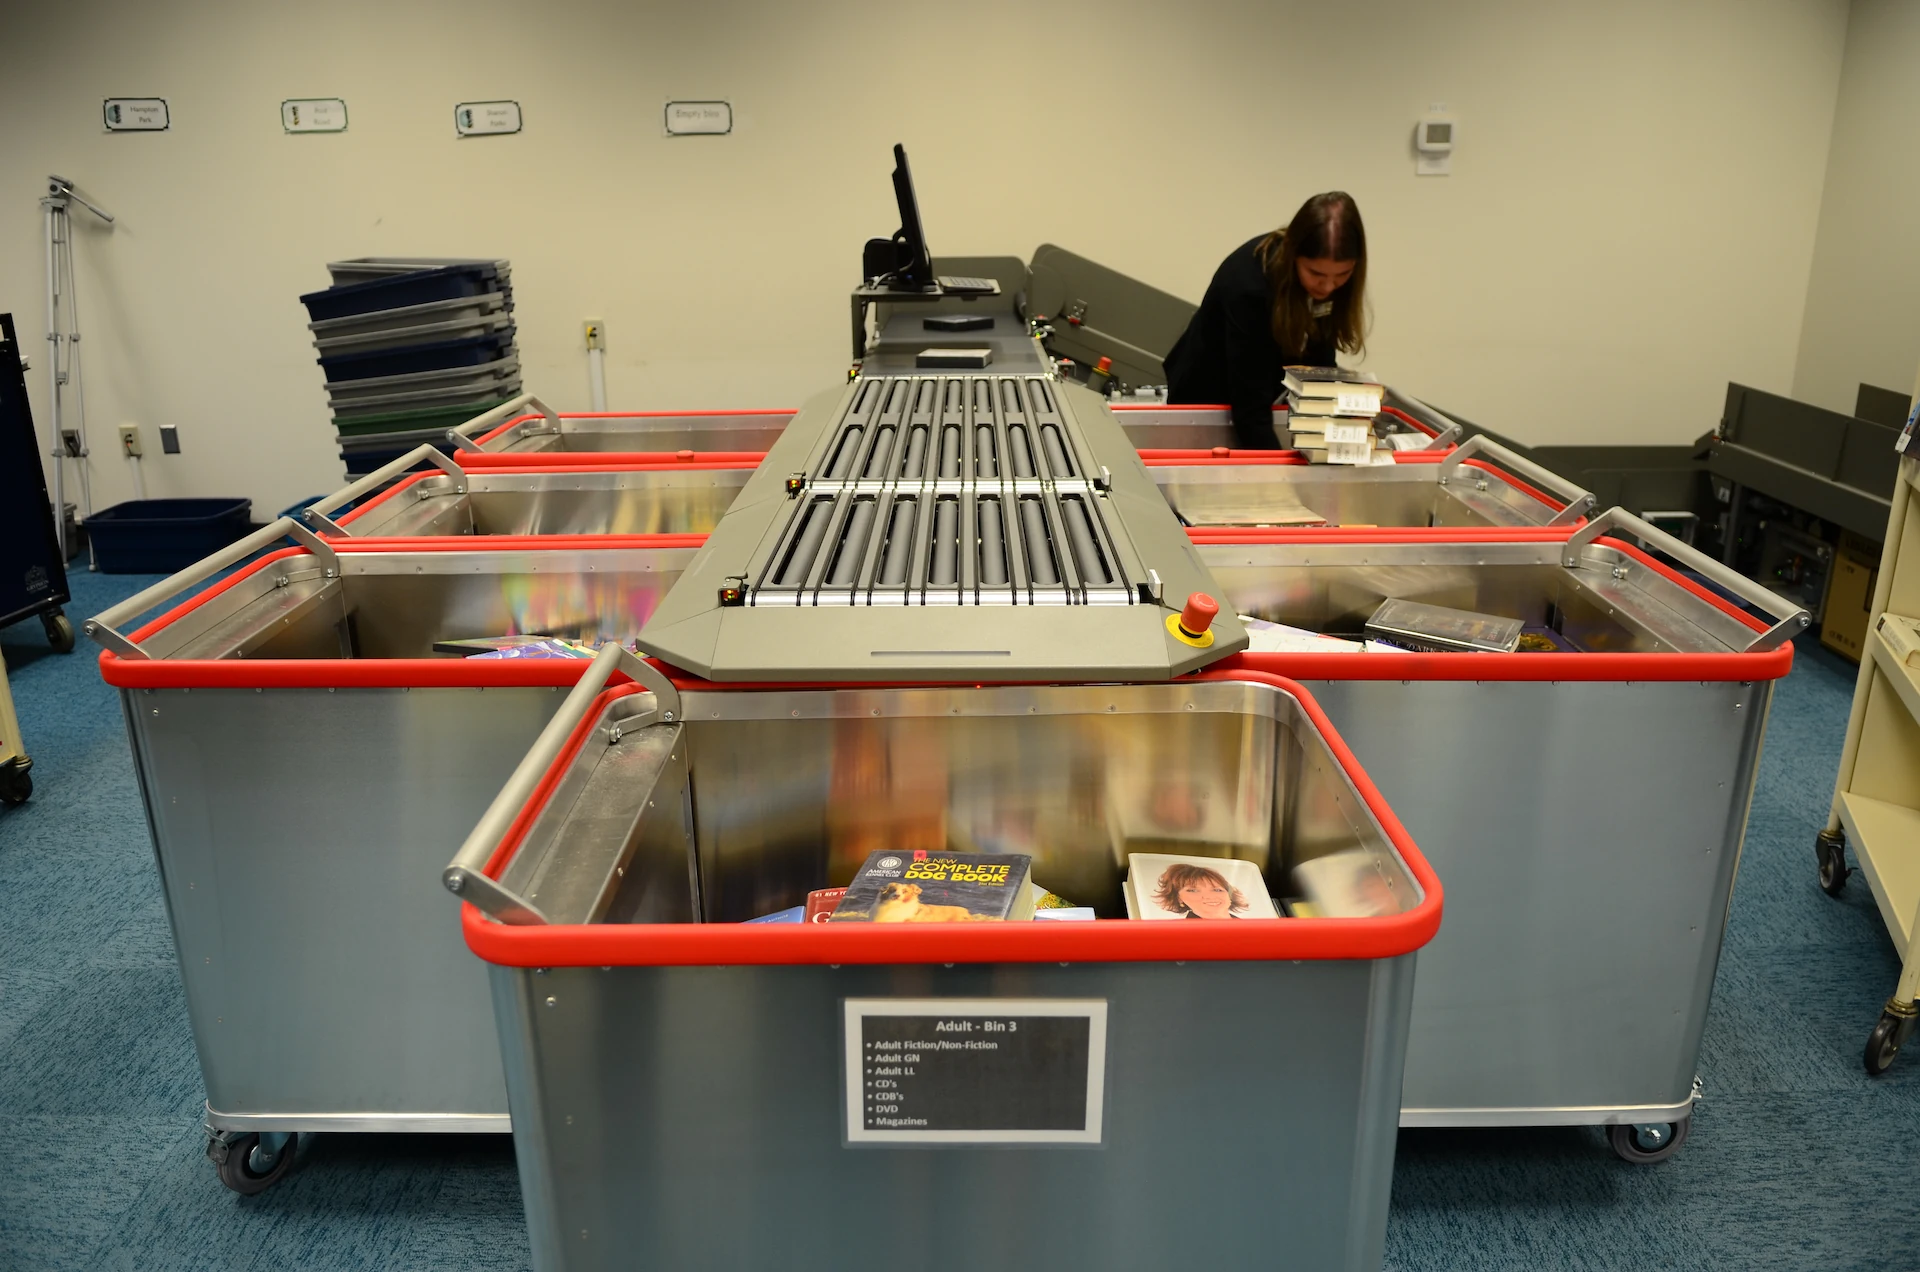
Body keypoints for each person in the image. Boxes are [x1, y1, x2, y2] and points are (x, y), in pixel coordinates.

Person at [1164, 192, 1369, 450]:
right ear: (1294, 254)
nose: (1328, 286)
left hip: (1260, 399)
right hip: (1206, 399)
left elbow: (1319, 364)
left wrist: (1336, 422)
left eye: (1343, 274)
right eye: (1316, 273)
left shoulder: (1327, 287)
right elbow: (1250, 404)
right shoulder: (1249, 284)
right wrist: (1280, 478)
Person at [1149, 861, 1249, 920]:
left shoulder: (1251, 928)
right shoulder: (1176, 935)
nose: (1209, 896)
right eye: (1193, 890)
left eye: (1217, 890)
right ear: (1179, 898)